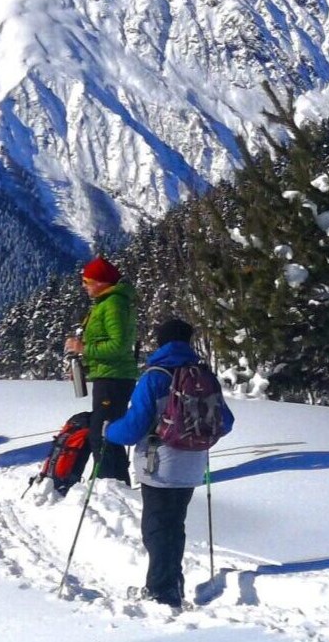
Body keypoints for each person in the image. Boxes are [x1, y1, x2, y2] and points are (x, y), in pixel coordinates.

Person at [105, 318, 235, 609]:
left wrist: (107, 431)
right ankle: (172, 584)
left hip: (159, 466)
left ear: (161, 341)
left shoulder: (155, 377)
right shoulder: (202, 375)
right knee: (174, 524)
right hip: (193, 464)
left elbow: (132, 429)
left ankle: (162, 592)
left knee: (157, 528)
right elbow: (226, 422)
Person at [64, 255, 137, 482]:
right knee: (104, 433)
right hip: (108, 376)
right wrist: (84, 363)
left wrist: (83, 348)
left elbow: (118, 345)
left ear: (101, 282)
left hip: (115, 379)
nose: (84, 286)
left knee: (102, 435)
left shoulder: (114, 304)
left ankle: (110, 484)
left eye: (87, 281)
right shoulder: (106, 303)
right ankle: (114, 482)